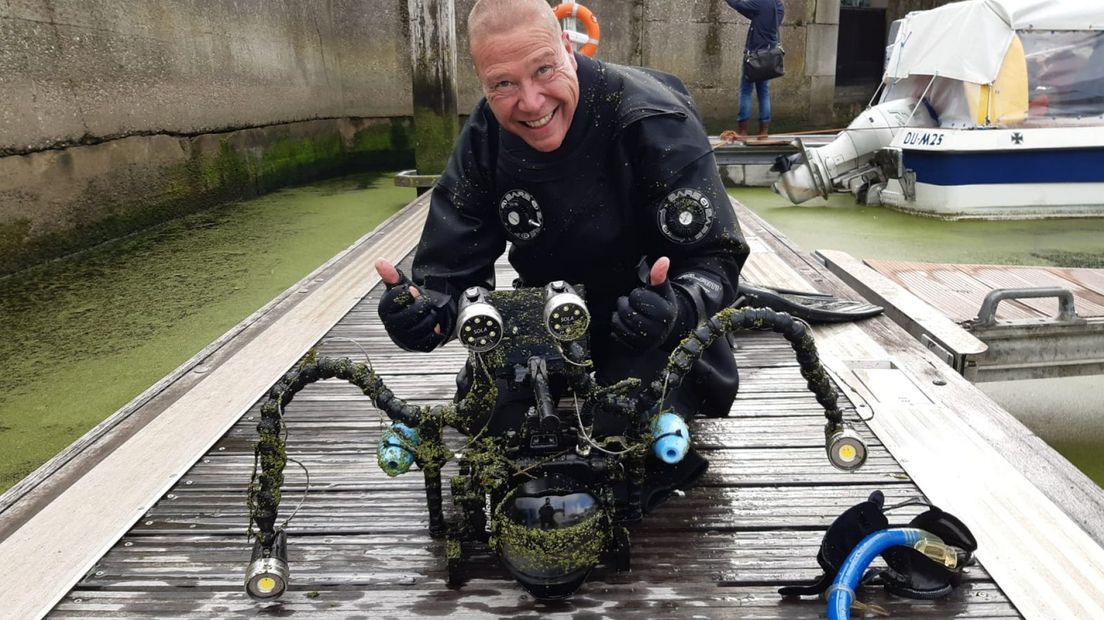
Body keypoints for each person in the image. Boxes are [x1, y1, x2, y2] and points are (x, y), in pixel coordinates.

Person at [374, 0, 749, 505]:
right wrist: (423, 313)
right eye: (503, 84)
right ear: (483, 84)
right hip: (547, 308)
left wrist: (677, 306)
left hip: (646, 306)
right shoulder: (486, 134)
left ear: (568, 50)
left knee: (631, 416)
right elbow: (447, 272)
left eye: (543, 70)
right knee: (491, 415)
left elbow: (715, 260)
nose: (530, 102)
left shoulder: (653, 117)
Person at [726, 0, 785, 139]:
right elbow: (757, 16)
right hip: (768, 56)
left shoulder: (760, 3)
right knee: (763, 92)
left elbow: (740, 5)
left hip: (754, 56)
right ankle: (764, 131)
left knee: (746, 91)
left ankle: (743, 131)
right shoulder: (779, 6)